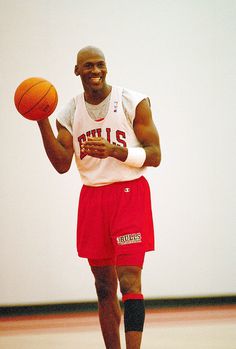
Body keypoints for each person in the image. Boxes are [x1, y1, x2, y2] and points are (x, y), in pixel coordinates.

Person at [37, 46, 161, 349]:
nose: (96, 71)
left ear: (107, 67)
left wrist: (116, 151)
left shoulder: (133, 101)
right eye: (88, 66)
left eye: (101, 65)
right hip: (93, 198)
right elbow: (62, 164)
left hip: (129, 195)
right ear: (77, 71)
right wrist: (41, 120)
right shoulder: (68, 111)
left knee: (130, 281)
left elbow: (155, 156)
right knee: (104, 287)